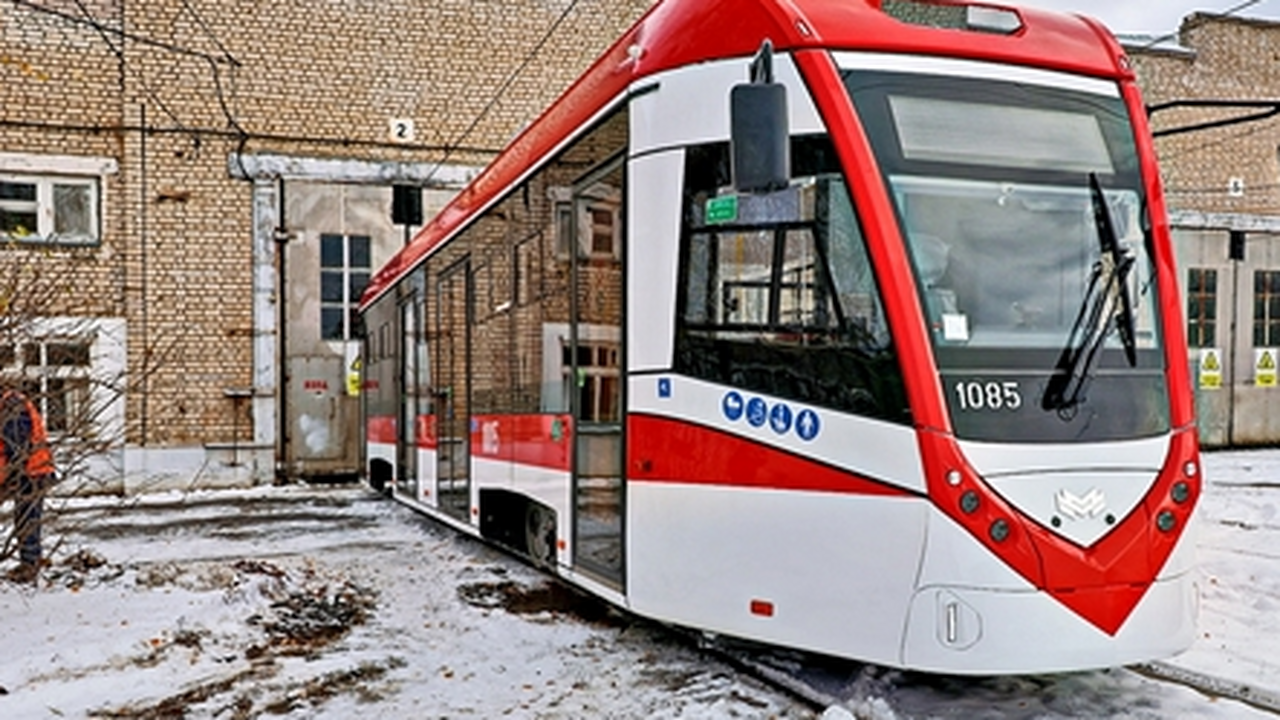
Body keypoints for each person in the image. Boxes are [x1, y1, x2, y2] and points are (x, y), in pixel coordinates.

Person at [1, 386, 56, 584]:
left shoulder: (12, 406)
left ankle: (30, 565)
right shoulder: (9, 404)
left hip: (33, 472)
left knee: (28, 518)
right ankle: (30, 561)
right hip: (27, 471)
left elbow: (18, 449)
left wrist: (10, 480)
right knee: (24, 517)